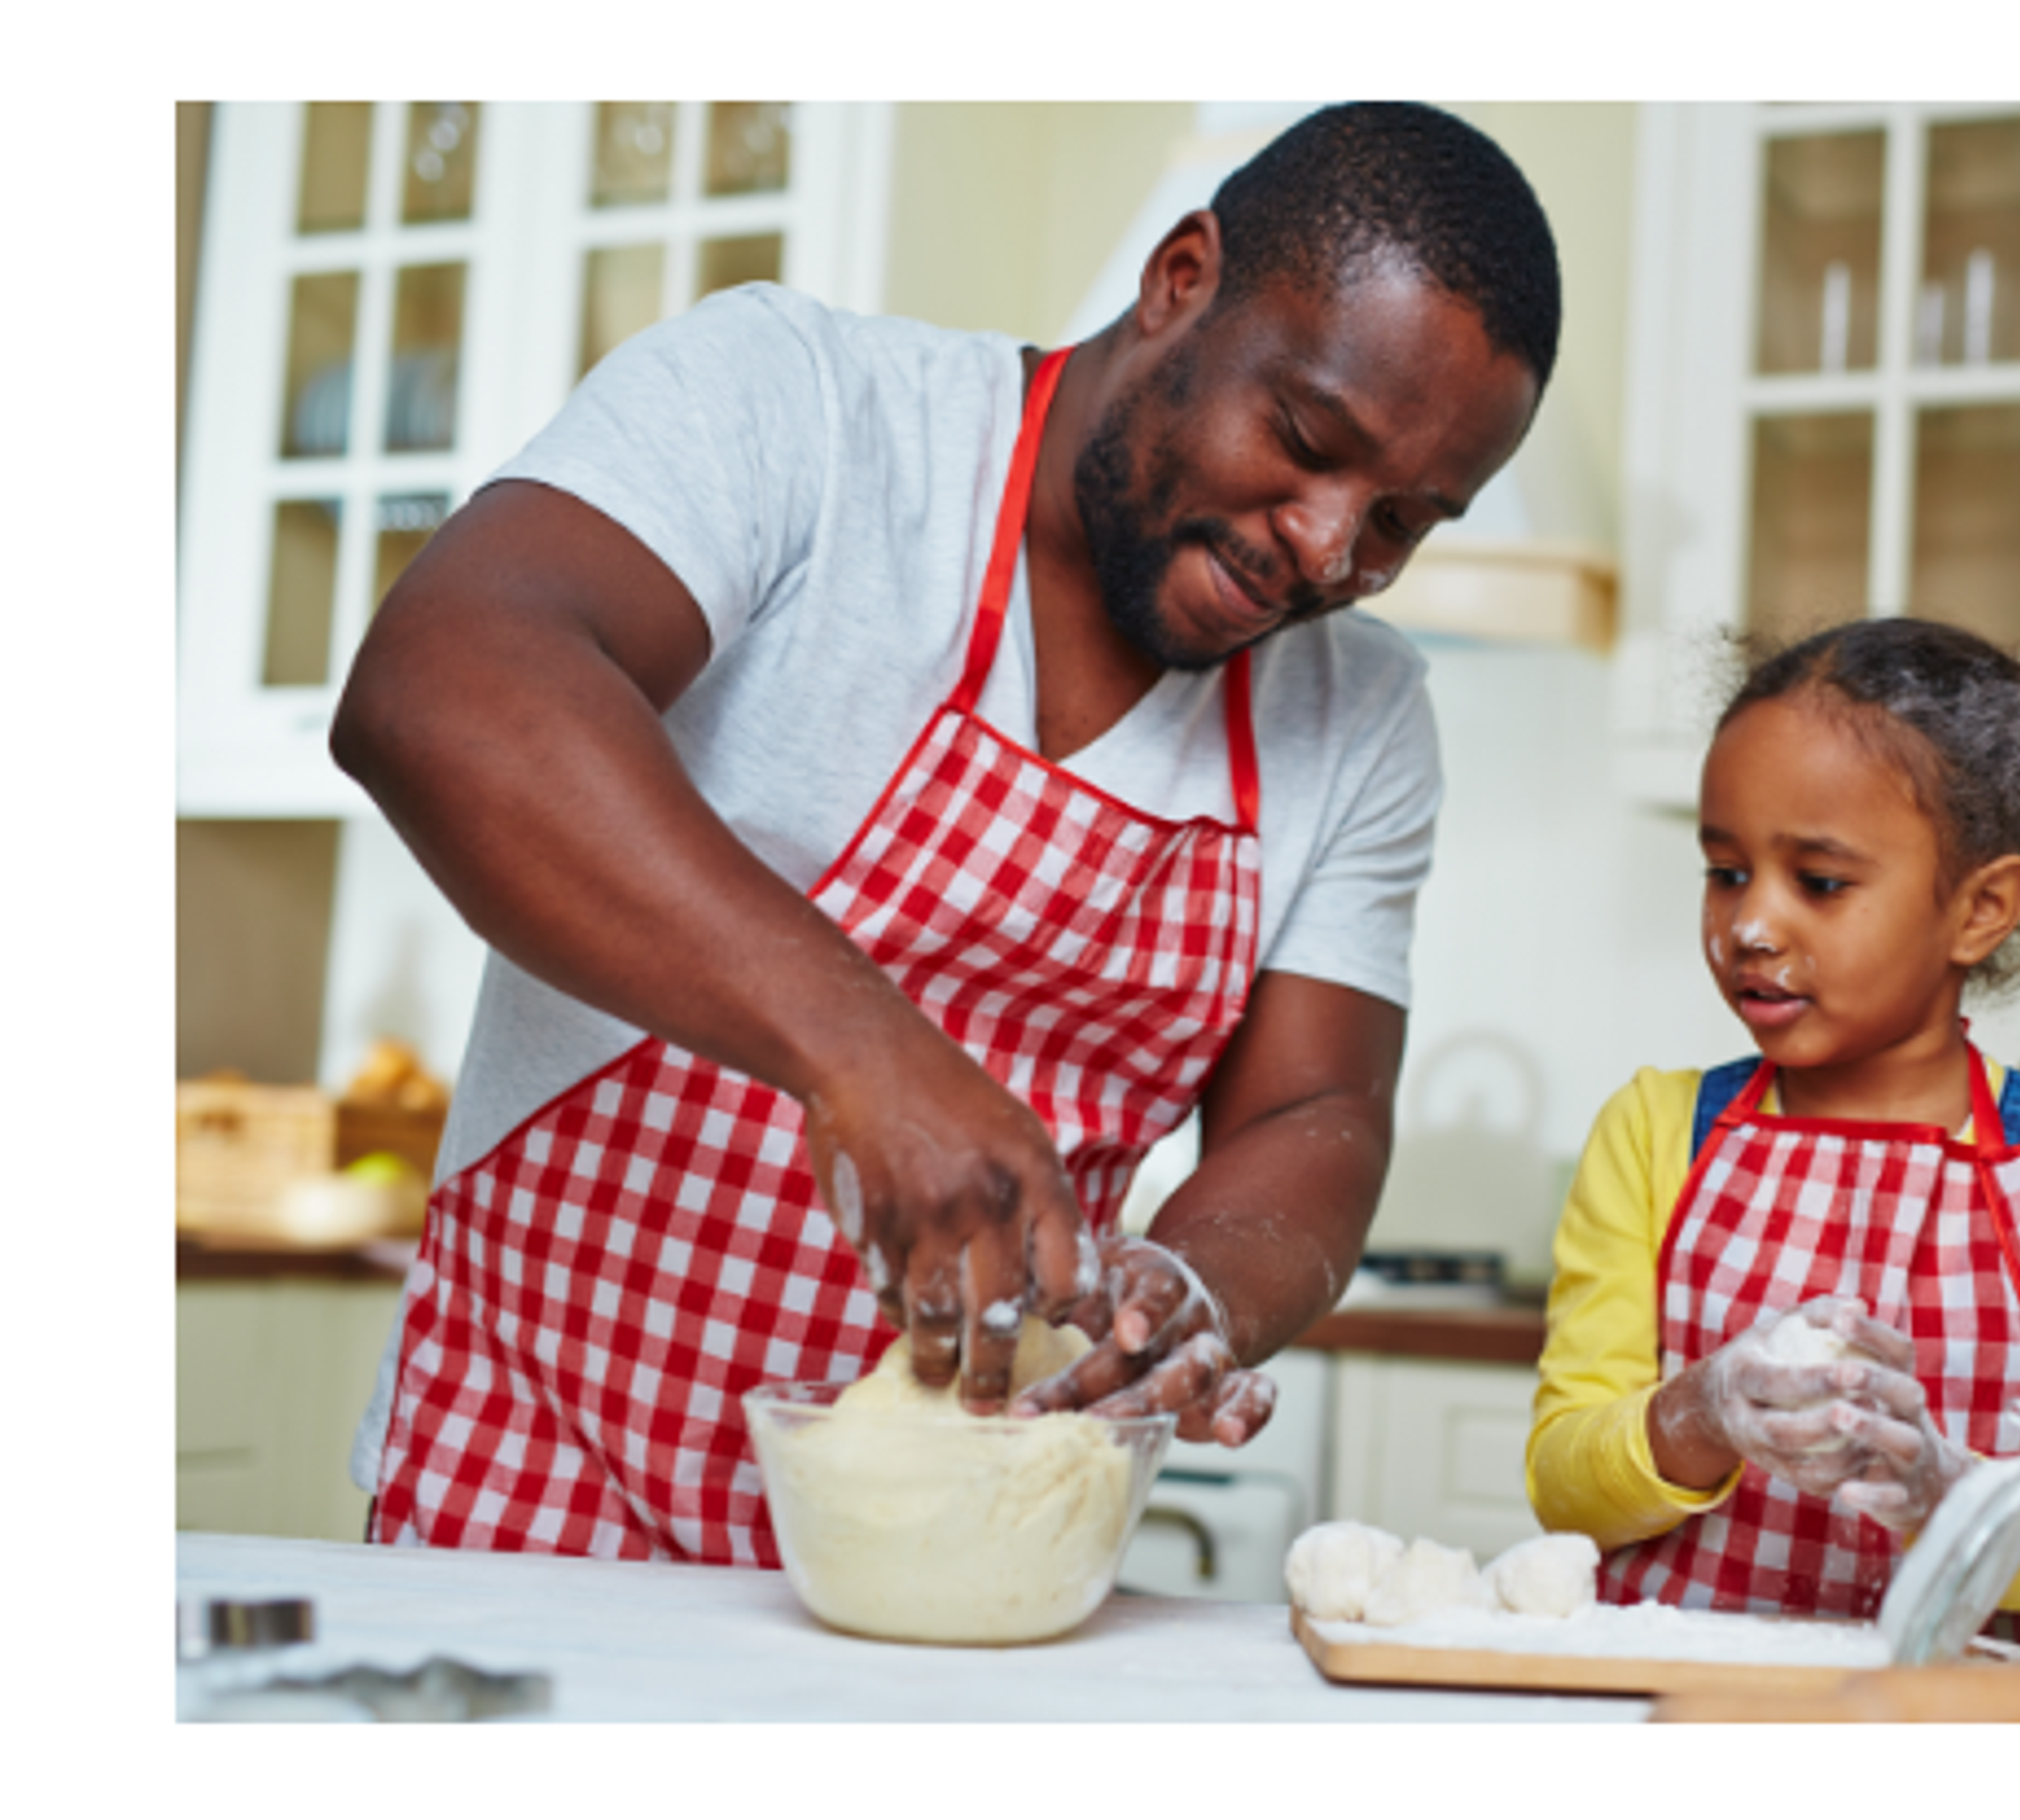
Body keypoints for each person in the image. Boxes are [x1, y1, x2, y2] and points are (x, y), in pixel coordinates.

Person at [330, 102, 1560, 1563]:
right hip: (529, 1501)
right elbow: (442, 686)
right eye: (1303, 439)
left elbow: (1313, 1117)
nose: (1329, 549)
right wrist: (871, 1057)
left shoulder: (1360, 719)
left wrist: (1192, 1291)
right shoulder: (805, 409)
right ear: (1180, 279)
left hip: (963, 1578)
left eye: (1406, 521)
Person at [1525, 616, 2020, 1624]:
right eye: (1727, 870)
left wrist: (1946, 1496)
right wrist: (1703, 1409)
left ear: (1980, 908)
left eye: (1820, 883)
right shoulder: (1659, 1130)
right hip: (1674, 1710)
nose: (1751, 925)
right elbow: (1564, 1486)